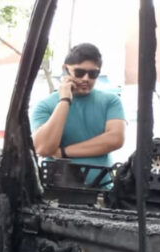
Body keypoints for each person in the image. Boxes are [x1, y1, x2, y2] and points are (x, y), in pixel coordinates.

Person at [30, 43, 125, 186]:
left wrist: (63, 152)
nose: (86, 79)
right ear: (65, 70)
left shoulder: (111, 101)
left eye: (93, 74)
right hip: (58, 191)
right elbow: (43, 148)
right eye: (79, 72)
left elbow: (115, 139)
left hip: (102, 188)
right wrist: (64, 100)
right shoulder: (45, 105)